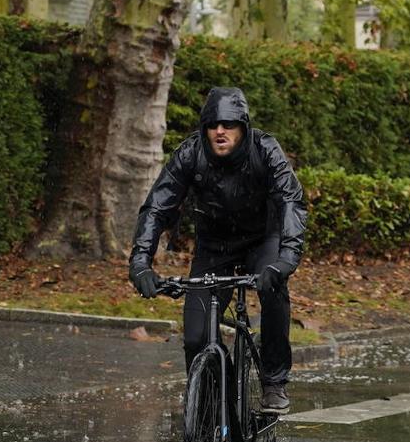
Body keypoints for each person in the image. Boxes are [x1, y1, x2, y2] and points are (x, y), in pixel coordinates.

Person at [128, 87, 307, 414]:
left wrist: (286, 260)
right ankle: (213, 400)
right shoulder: (189, 154)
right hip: (215, 247)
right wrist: (140, 263)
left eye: (229, 123)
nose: (220, 130)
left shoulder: (266, 150)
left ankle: (274, 381)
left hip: (262, 239)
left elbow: (291, 202)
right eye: (212, 124)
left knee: (274, 290)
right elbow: (156, 208)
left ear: (244, 127)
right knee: (196, 337)